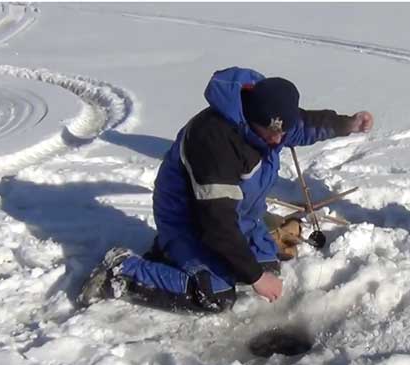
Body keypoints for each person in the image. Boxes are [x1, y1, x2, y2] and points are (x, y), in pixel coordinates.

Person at [78, 67, 374, 312]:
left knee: (266, 268)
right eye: (272, 132)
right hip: (190, 223)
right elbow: (216, 224)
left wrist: (348, 123)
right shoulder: (215, 142)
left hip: (242, 218)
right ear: (252, 118)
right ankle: (121, 272)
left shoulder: (270, 119)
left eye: (282, 131)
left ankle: (174, 259)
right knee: (215, 296)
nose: (278, 140)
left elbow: (306, 124)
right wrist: (255, 277)